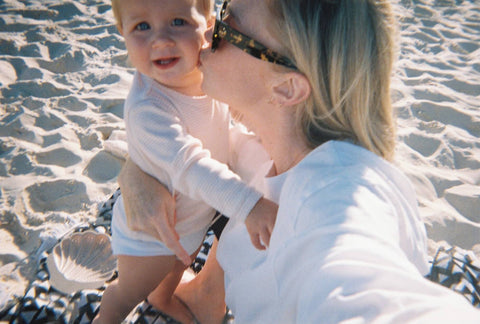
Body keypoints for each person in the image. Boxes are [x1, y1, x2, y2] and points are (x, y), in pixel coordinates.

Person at [119, 0, 480, 323]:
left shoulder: (337, 199)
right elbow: (197, 149)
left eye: (229, 24)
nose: (206, 32)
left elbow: (361, 284)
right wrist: (134, 172)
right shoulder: (278, 151)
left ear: (287, 88)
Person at [94, 0, 277, 323]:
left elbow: (225, 122)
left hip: (192, 219)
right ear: (121, 33)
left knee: (180, 264)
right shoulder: (149, 108)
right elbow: (189, 165)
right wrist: (249, 205)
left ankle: (162, 297)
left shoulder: (203, 76)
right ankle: (108, 315)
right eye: (142, 27)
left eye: (178, 22)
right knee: (130, 291)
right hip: (151, 235)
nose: (160, 40)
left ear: (207, 25)